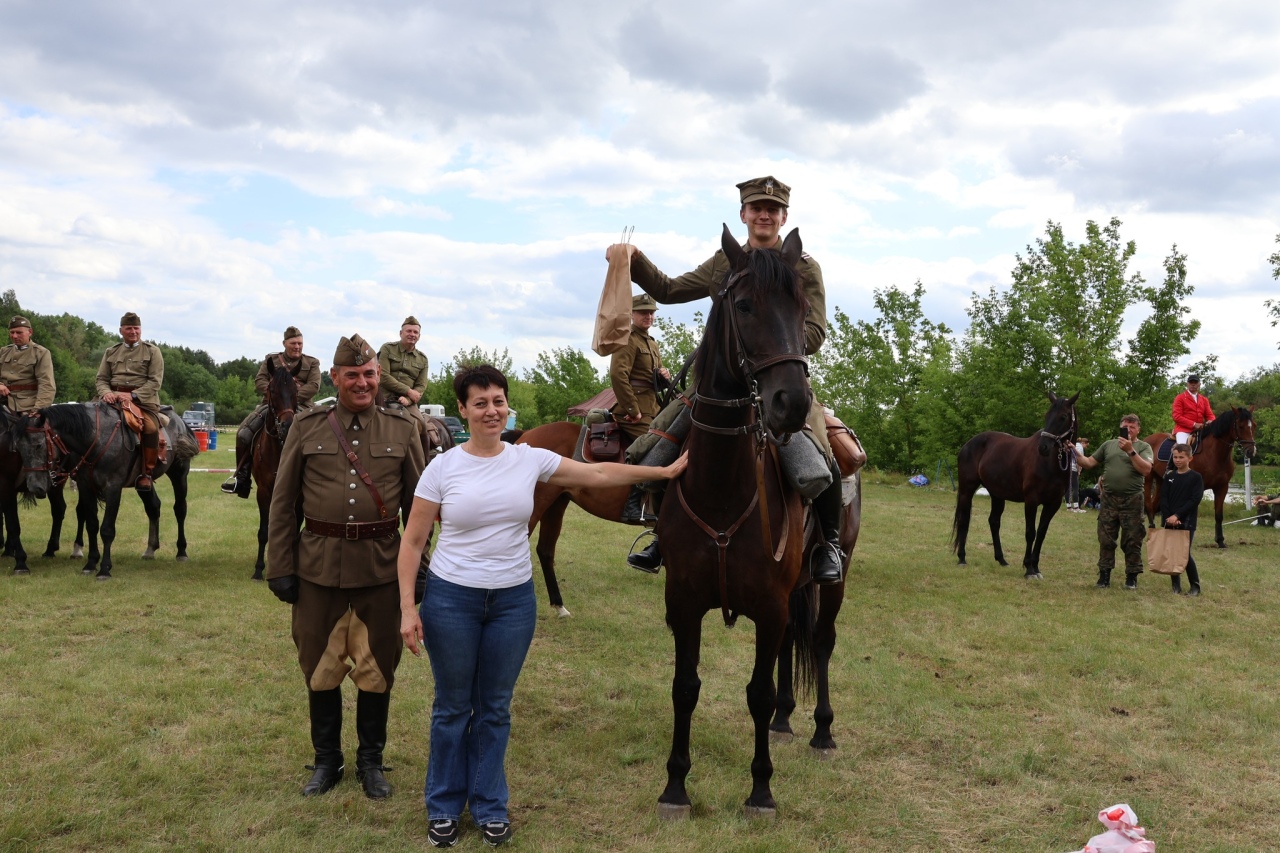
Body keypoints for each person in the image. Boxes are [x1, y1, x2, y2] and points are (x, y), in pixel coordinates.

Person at [397, 365, 686, 849]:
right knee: (452, 707)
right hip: (452, 599)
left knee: (494, 707)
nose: (492, 410)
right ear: (463, 411)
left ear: (507, 405)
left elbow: (598, 472)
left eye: (498, 401)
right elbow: (412, 543)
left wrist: (661, 470)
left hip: (512, 602)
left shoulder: (529, 459)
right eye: (481, 403)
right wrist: (408, 608)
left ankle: (489, 805)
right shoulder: (442, 468)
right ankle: (444, 804)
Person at [605, 175, 844, 583]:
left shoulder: (803, 267)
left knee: (822, 452)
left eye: (772, 209)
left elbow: (816, 332)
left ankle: (829, 544)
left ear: (784, 217)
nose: (764, 214)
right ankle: (661, 535)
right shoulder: (724, 262)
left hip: (777, 380)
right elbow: (669, 289)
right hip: (716, 384)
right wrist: (633, 258)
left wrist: (769, 346)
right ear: (744, 215)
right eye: (757, 208)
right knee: (657, 443)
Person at [266, 334, 425, 800]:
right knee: (320, 668)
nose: (362, 382)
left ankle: (371, 763)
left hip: (381, 571)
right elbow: (282, 502)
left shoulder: (403, 428)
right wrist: (280, 564)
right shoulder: (307, 425)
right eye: (352, 375)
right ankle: (326, 761)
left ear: (379, 377)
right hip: (317, 571)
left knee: (378, 669)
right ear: (334, 378)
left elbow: (418, 506)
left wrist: (420, 570)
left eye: (369, 374)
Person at [223, 326, 322, 497]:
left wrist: (290, 396)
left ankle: (320, 478)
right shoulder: (271, 359)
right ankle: (242, 478)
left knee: (321, 435)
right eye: (293, 343)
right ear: (285, 343)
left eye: (300, 343)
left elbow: (314, 385)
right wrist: (275, 395)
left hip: (301, 405)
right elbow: (260, 380)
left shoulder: (312, 363)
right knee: (244, 433)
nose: (297, 346)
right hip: (272, 405)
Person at [1075, 414, 1153, 590]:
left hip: (1132, 500)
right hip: (1109, 499)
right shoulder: (1109, 445)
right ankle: (1104, 576)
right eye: (1125, 426)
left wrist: (1130, 451)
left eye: (1132, 427)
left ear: (1138, 429)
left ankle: (1131, 577)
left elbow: (1146, 470)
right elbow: (1088, 463)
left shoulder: (1143, 447)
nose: (1129, 429)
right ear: (1120, 427)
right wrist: (1073, 450)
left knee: (1132, 540)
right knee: (1106, 538)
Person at [611, 293, 670, 523]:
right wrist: (633, 409)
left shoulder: (651, 343)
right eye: (643, 312)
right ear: (632, 314)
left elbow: (651, 379)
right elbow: (618, 375)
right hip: (633, 412)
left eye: (651, 312)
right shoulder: (627, 339)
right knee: (654, 445)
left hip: (653, 408)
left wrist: (664, 375)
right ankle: (632, 506)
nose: (649, 316)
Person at [95, 312, 164, 490]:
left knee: (150, 427)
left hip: (142, 401)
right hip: (112, 399)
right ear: (121, 330)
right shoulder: (111, 351)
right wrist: (106, 393)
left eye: (136, 328)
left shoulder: (152, 351)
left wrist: (133, 395)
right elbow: (101, 379)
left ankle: (147, 473)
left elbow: (155, 381)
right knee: (88, 422)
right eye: (129, 328)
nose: (133, 331)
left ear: (140, 330)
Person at [1160, 443, 1203, 595]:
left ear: (1189, 458)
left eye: (1181, 457)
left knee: (1184, 553)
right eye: (1175, 457)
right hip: (1169, 521)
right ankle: (1175, 586)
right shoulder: (1170, 476)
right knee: (1172, 553)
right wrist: (1168, 517)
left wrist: (1178, 516)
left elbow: (1195, 499)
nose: (1178, 460)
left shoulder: (1195, 477)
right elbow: (1163, 498)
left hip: (1186, 521)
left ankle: (1195, 586)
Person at [0, 316, 55, 413]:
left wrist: (38, 410)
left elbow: (46, 384)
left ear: (30, 332)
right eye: (12, 332)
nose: (15, 336)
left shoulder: (41, 353)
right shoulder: (3, 351)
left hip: (26, 406)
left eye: (19, 332)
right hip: (3, 402)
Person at [378, 316, 429, 408]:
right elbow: (382, 375)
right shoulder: (387, 348)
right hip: (383, 398)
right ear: (401, 333)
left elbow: (421, 386)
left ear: (419, 336)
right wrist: (408, 391)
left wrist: (408, 400)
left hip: (408, 403)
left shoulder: (423, 359)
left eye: (415, 332)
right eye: (409, 331)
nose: (412, 334)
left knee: (421, 422)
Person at [1172, 374, 1215, 446]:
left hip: (1200, 431)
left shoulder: (1204, 399)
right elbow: (1177, 416)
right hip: (1184, 431)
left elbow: (1210, 415)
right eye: (1191, 382)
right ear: (1187, 384)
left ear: (1199, 384)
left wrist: (1211, 421)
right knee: (1182, 449)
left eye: (1195, 382)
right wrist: (1194, 424)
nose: (1193, 384)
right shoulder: (1180, 398)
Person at [1066, 437, 1088, 512]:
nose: (1086, 447)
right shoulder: (1080, 448)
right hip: (1073, 468)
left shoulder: (1074, 445)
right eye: (1087, 445)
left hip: (1068, 468)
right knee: (1075, 488)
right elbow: (1078, 460)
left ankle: (1068, 506)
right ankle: (1076, 507)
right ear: (1084, 443)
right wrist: (1079, 471)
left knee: (1068, 487)